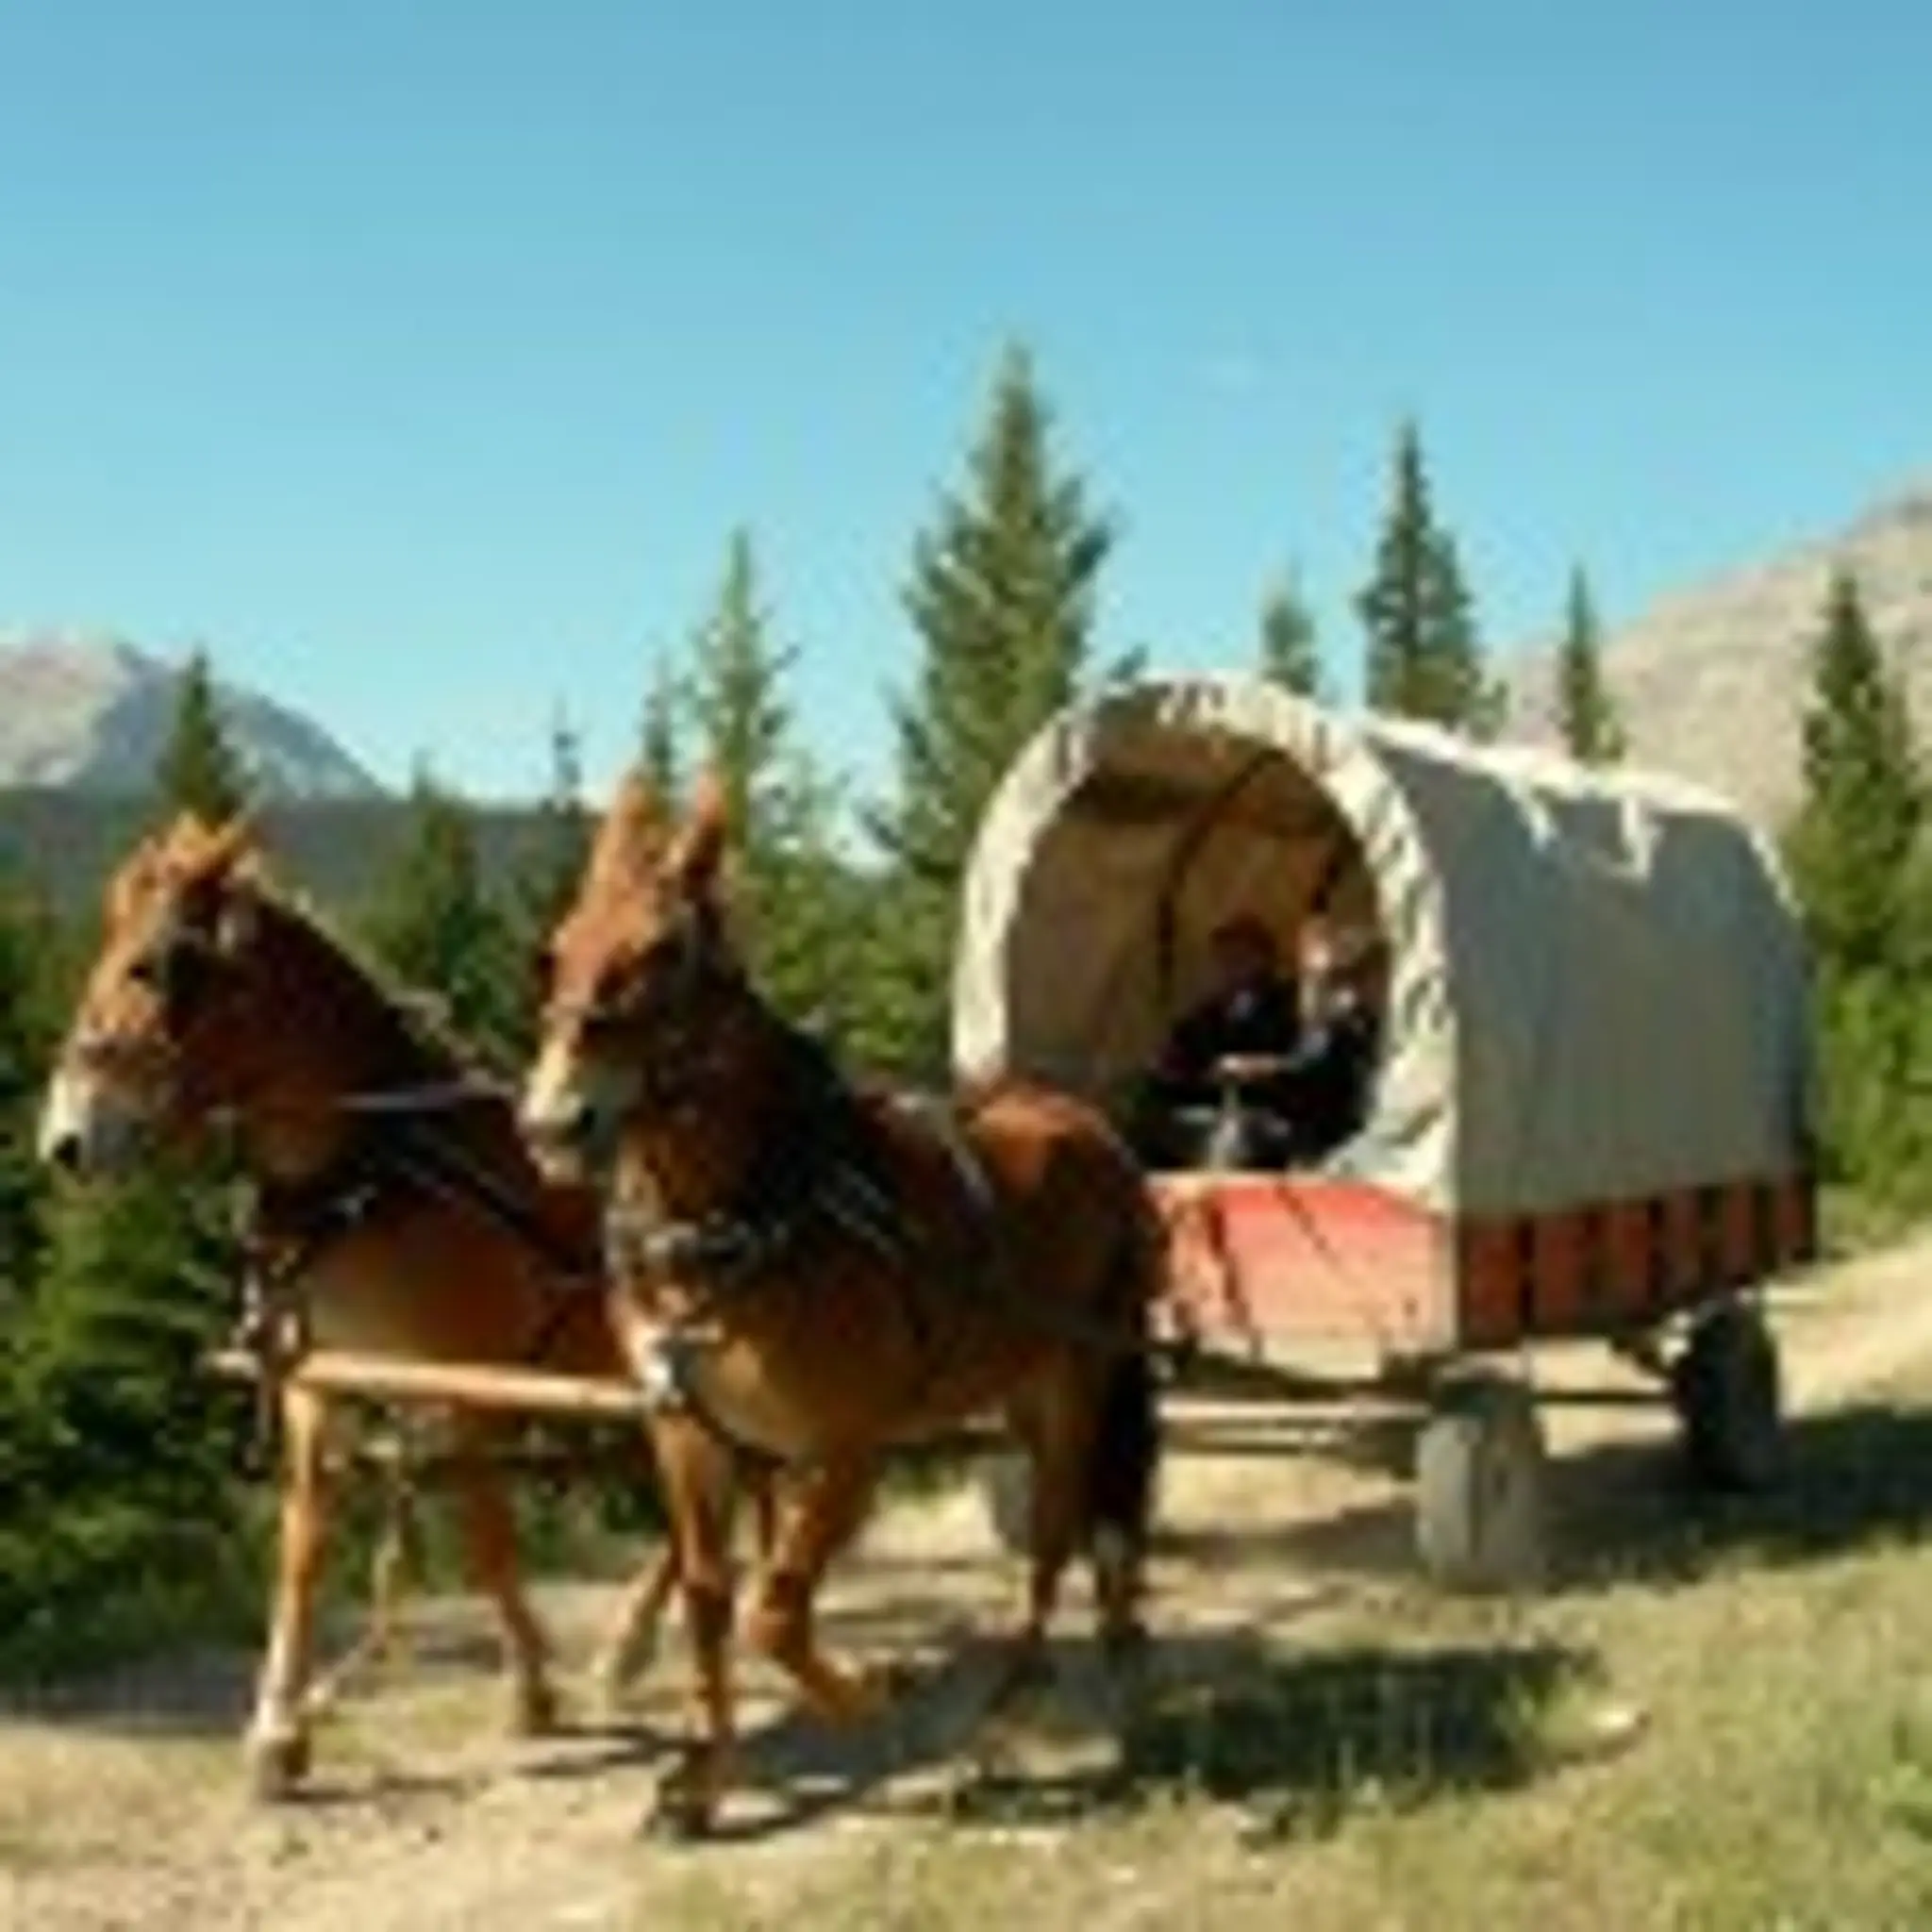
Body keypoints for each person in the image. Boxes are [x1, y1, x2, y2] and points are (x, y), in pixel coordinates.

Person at [1132, 912, 1304, 1168]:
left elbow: (1305, 1062)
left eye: (1240, 958)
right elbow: (1183, 1052)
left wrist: (1259, 1067)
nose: (1230, 967)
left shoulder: (1289, 1007)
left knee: (1232, 1136)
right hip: (1210, 1103)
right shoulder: (1210, 1014)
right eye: (1225, 959)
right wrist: (1168, 1069)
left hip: (1265, 1109)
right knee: (1146, 1116)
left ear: (1264, 960)